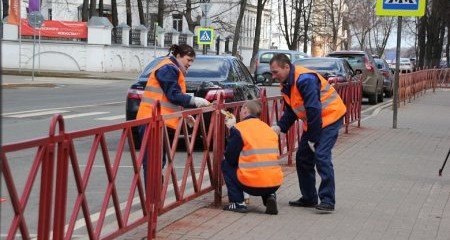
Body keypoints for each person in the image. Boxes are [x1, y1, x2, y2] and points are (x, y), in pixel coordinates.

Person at [269, 53, 346, 212]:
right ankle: (309, 197)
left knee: (321, 155)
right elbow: (291, 111)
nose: (273, 75)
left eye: (276, 71)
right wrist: (279, 127)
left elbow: (313, 109)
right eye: (272, 72)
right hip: (315, 122)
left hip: (330, 117)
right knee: (303, 157)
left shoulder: (305, 80)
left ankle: (327, 201)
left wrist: (313, 138)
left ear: (286, 67)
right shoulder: (287, 84)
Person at [136, 44, 211, 183]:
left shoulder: (172, 68)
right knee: (153, 162)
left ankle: (155, 198)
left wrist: (182, 114)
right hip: (151, 121)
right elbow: (173, 95)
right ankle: (152, 200)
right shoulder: (168, 68)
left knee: (158, 161)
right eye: (188, 60)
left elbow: (167, 98)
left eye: (191, 61)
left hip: (157, 121)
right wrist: (194, 100)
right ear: (178, 56)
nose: (190, 64)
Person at [221, 100, 283, 215]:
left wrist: (231, 130)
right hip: (274, 183)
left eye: (241, 110)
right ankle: (269, 196)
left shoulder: (239, 129)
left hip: (251, 184)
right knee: (263, 163)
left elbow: (230, 156)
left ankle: (238, 203)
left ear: (245, 110)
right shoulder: (268, 129)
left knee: (226, 164)